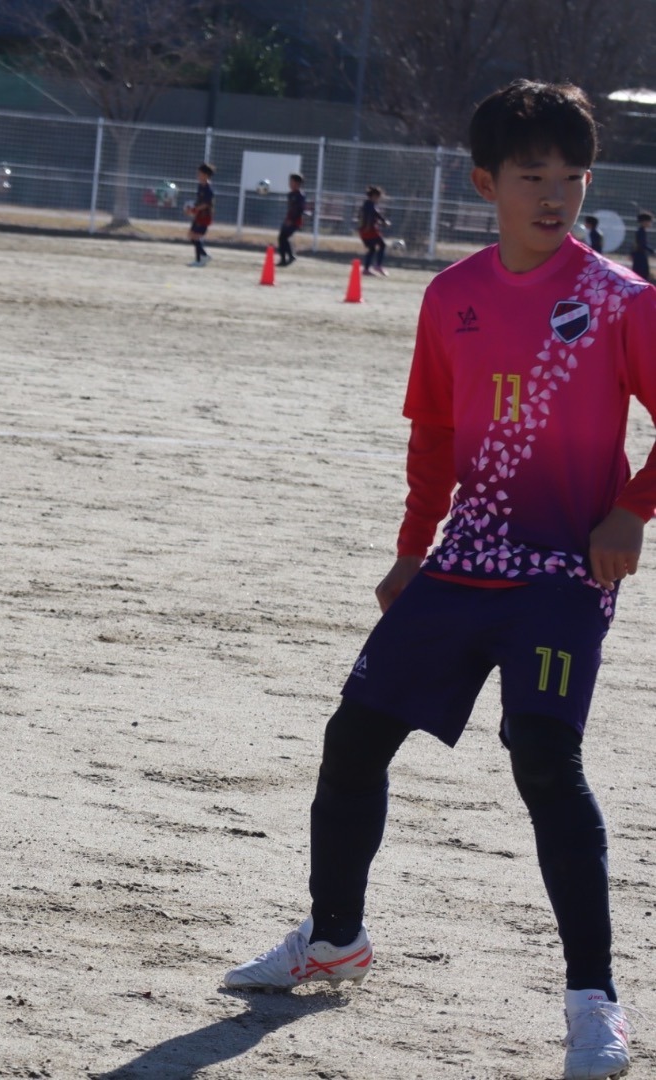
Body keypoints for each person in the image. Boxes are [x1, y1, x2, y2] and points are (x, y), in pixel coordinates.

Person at [223, 80, 656, 1080]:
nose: (555, 195)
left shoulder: (621, 301)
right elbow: (433, 433)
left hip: (561, 571)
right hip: (462, 560)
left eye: (572, 177)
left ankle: (593, 1005)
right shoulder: (449, 296)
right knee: (352, 737)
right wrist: (413, 547)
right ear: (484, 184)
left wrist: (632, 508)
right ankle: (333, 938)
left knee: (543, 758)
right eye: (532, 176)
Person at [185, 163, 214, 267]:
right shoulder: (200, 186)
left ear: (206, 175)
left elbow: (206, 204)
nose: (198, 175)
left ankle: (203, 257)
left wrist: (194, 209)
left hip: (205, 216)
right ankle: (199, 259)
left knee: (195, 237)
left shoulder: (208, 189)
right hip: (199, 215)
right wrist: (191, 209)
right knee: (191, 235)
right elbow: (199, 201)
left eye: (200, 174)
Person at [359, 185, 390, 276]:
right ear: (374, 196)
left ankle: (366, 269)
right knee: (382, 245)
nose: (379, 199)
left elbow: (367, 217)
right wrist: (384, 221)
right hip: (370, 231)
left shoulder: (366, 204)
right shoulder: (370, 205)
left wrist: (379, 222)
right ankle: (378, 265)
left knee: (372, 249)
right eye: (378, 197)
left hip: (364, 231)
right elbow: (375, 214)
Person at [277, 172, 306, 267]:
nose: (289, 183)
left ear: (297, 183)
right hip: (289, 219)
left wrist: (292, 220)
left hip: (295, 221)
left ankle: (289, 256)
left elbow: (299, 209)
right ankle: (284, 259)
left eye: (291, 181)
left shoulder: (300, 195)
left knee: (283, 237)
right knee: (282, 238)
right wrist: (288, 218)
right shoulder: (290, 194)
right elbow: (291, 209)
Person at [632, 211, 652, 281]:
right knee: (642, 275)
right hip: (640, 256)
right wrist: (652, 251)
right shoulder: (641, 232)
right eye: (649, 221)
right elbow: (642, 245)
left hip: (639, 255)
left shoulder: (641, 231)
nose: (650, 223)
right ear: (644, 221)